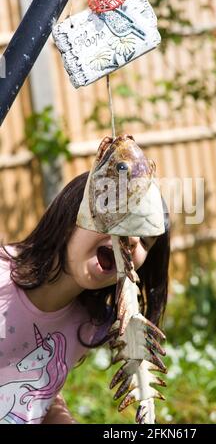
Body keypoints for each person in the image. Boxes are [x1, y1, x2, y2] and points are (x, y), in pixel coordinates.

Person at [0, 171, 170, 424]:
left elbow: (33, 392)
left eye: (145, 239)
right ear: (73, 214)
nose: (132, 239)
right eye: (122, 217)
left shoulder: (89, 324)